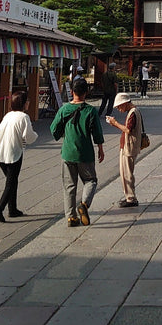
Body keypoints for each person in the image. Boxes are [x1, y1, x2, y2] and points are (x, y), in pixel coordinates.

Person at [51, 76, 105, 227]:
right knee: (90, 180)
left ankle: (71, 217)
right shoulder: (90, 111)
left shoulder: (64, 109)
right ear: (86, 92)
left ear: (72, 91)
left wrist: (63, 135)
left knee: (69, 185)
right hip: (85, 152)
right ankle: (84, 204)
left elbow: (53, 129)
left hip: (67, 152)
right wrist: (100, 148)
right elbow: (97, 132)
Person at [0, 91, 38, 223]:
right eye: (27, 101)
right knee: (11, 182)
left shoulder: (8, 115)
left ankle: (12, 209)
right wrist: (36, 135)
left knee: (12, 180)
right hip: (13, 153)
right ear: (23, 103)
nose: (29, 103)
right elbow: (29, 137)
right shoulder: (23, 117)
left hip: (0, 152)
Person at [106, 93, 142, 207]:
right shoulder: (134, 111)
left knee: (127, 173)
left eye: (119, 106)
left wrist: (115, 123)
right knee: (125, 172)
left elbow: (128, 130)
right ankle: (128, 196)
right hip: (127, 145)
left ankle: (131, 198)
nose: (118, 109)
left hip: (129, 146)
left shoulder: (133, 113)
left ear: (125, 103)